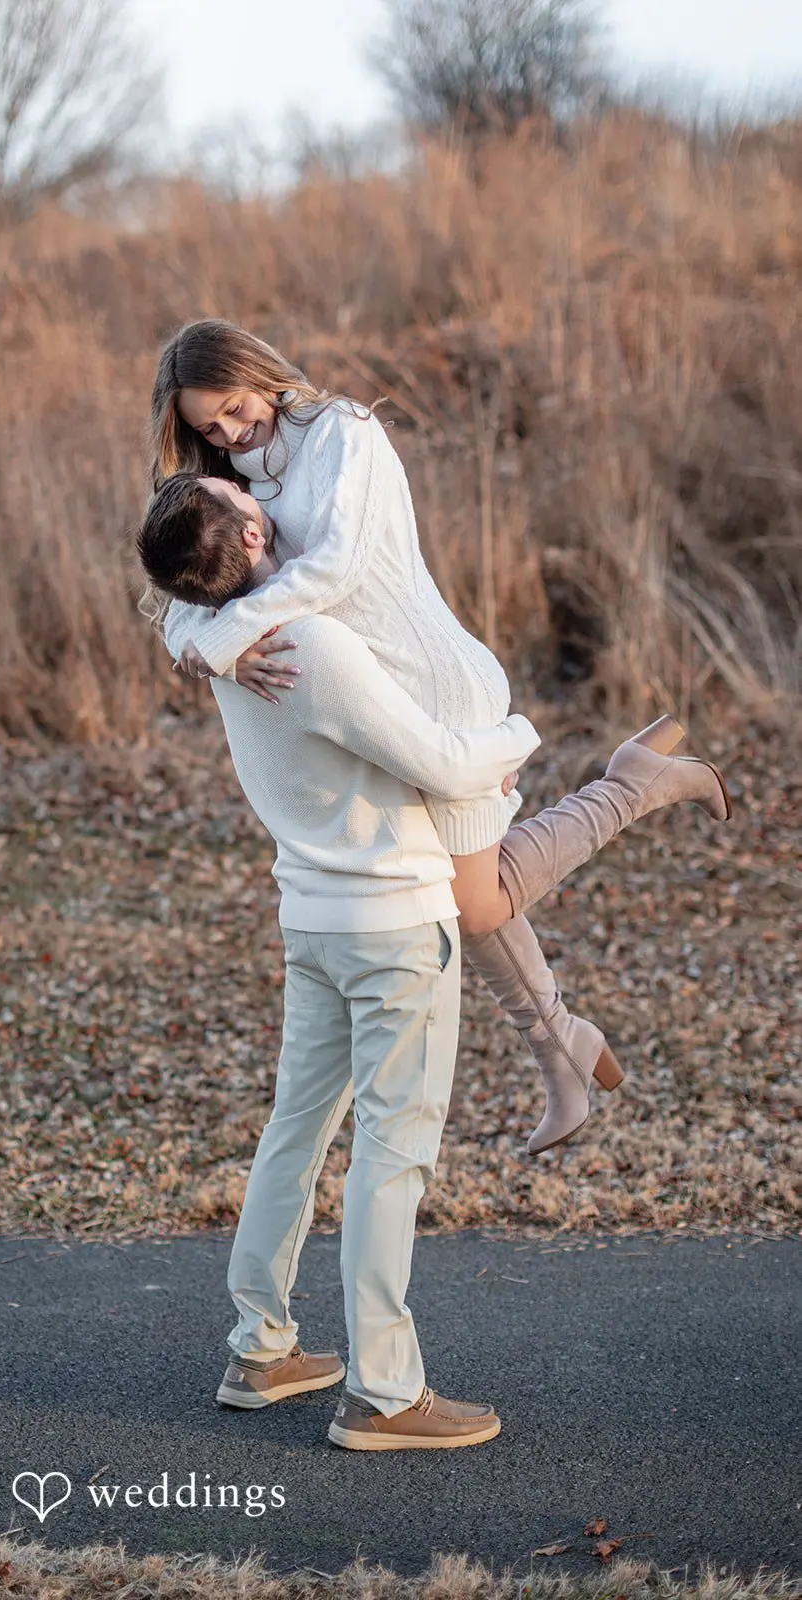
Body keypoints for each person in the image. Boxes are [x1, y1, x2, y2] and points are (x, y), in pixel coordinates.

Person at [141, 320, 731, 1154]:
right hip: (366, 709)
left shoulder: (344, 433)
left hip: (436, 689)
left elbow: (337, 566)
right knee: (460, 894)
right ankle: (562, 1053)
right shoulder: (225, 481)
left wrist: (231, 634)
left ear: (259, 375)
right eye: (209, 430)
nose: (231, 437)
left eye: (235, 411)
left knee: (472, 899)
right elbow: (176, 598)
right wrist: (207, 647)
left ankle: (632, 784)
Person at [137, 473, 544, 1448]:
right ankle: (384, 1393)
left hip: (310, 920)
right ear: (247, 525)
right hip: (392, 924)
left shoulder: (234, 651)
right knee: (390, 1153)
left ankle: (262, 1344)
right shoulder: (309, 645)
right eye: (230, 484)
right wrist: (520, 734)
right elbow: (444, 765)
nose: (247, 479)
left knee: (297, 1127)